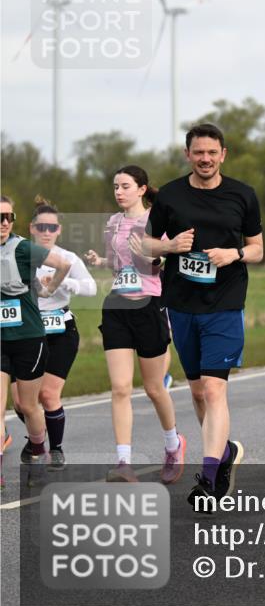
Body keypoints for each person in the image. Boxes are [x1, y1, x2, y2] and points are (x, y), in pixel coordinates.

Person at [142, 124, 264, 510]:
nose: (206, 159)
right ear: (187, 154)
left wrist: (235, 255)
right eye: (199, 152)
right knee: (196, 392)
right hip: (181, 304)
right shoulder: (172, 195)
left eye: (212, 152)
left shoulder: (243, 194)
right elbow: (144, 244)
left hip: (225, 303)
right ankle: (224, 451)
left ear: (223, 154)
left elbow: (257, 248)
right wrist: (169, 245)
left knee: (214, 390)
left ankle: (209, 479)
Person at [84, 166, 186, 483]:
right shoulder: (112, 223)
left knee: (155, 388)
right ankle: (123, 462)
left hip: (149, 306)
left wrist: (157, 252)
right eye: (115, 186)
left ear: (142, 189)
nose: (118, 191)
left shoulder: (157, 222)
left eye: (125, 186)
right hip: (116, 307)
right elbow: (117, 263)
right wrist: (99, 261)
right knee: (120, 388)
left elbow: (170, 255)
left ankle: (173, 445)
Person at [10, 198, 97, 470]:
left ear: (59, 230)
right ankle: (39, 437)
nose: (47, 232)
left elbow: (91, 289)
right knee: (22, 403)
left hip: (60, 332)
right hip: (25, 332)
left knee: (47, 395)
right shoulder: (19, 253)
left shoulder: (68, 258)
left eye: (52, 228)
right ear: (31, 228)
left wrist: (64, 283)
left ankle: (55, 449)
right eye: (41, 227)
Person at [1, 195, 71, 483]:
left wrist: (47, 290)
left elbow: (62, 264)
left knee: (29, 406)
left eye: (8, 217)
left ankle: (38, 449)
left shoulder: (23, 248)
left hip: (28, 337)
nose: (4, 223)